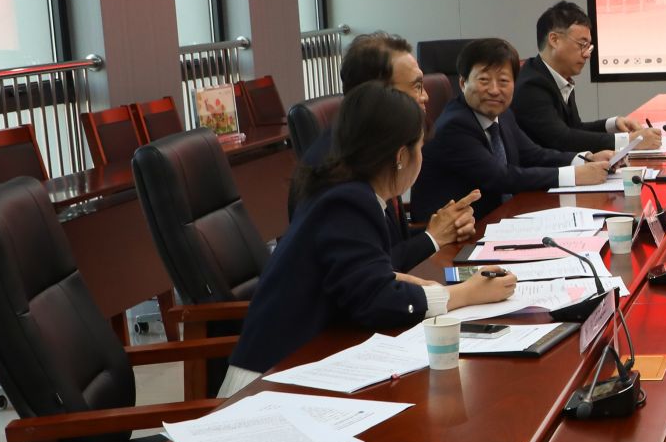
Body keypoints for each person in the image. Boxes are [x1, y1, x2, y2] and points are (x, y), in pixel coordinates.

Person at [223, 84, 516, 393]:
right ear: (401, 156)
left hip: (305, 364)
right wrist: (465, 294)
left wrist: (409, 282)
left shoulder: (344, 190)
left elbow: (356, 277)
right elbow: (375, 300)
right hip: (270, 380)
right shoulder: (349, 202)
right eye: (420, 147)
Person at [293, 30, 476, 266]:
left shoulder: (378, 142)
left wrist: (444, 229)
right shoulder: (335, 171)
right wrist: (432, 238)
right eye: (417, 86)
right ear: (378, 94)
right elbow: (367, 266)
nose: (426, 96)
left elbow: (386, 242)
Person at [413, 37, 612, 226]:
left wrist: (585, 159)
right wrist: (575, 175)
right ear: (463, 83)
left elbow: (533, 154)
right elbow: (500, 177)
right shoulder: (455, 125)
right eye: (484, 80)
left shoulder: (503, 114)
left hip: (499, 219)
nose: (494, 90)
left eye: (503, 81)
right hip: (459, 233)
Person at [513, 1, 661, 154]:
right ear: (554, 40)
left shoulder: (558, 77)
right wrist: (629, 141)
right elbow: (561, 139)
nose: (587, 54)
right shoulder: (531, 85)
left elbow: (574, 128)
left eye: (589, 46)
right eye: (582, 44)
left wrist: (613, 124)